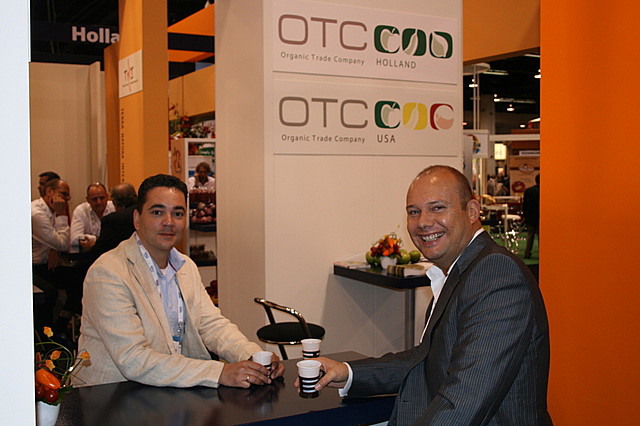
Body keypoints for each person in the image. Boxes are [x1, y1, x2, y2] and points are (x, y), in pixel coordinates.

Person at [309, 165, 551, 425]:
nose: (423, 222)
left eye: (437, 208)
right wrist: (348, 372)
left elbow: (465, 399)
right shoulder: (460, 270)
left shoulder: (495, 273)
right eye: (414, 212)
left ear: (472, 211)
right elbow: (429, 358)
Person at [75, 174, 284, 388]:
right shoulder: (108, 273)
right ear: (137, 219)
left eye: (178, 213)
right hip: (111, 395)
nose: (169, 222)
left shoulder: (186, 266)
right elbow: (133, 358)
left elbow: (212, 325)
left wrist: (253, 357)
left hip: (168, 391)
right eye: (157, 212)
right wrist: (219, 372)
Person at [32, 178, 83, 336]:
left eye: (68, 195)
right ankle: (46, 337)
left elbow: (59, 243)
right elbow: (62, 243)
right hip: (33, 268)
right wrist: (62, 214)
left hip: (48, 264)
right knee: (50, 292)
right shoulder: (37, 213)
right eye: (63, 194)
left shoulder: (50, 210)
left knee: (82, 279)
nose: (67, 199)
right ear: (49, 192)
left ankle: (59, 327)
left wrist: (53, 249)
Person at [70, 182, 115, 252]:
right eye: (94, 199)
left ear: (107, 197)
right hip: (88, 254)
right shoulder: (80, 210)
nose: (99, 202)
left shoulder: (114, 208)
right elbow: (74, 239)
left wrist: (95, 240)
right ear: (87, 199)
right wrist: (98, 239)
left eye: (102, 198)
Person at [522, 174, 540, 259]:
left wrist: (525, 215)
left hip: (530, 217)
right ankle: (542, 253)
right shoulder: (542, 191)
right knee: (540, 237)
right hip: (539, 217)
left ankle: (527, 253)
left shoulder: (528, 191)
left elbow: (524, 205)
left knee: (530, 236)